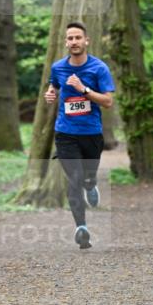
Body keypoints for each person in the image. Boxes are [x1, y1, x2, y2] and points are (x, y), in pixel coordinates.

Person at [45, 22, 116, 250]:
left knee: (86, 177)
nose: (74, 42)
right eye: (70, 38)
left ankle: (91, 184)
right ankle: (81, 228)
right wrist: (51, 93)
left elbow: (108, 101)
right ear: (66, 42)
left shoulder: (99, 68)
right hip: (65, 133)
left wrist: (83, 89)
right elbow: (54, 85)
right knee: (74, 178)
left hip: (91, 134)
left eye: (78, 37)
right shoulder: (58, 67)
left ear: (86, 41)